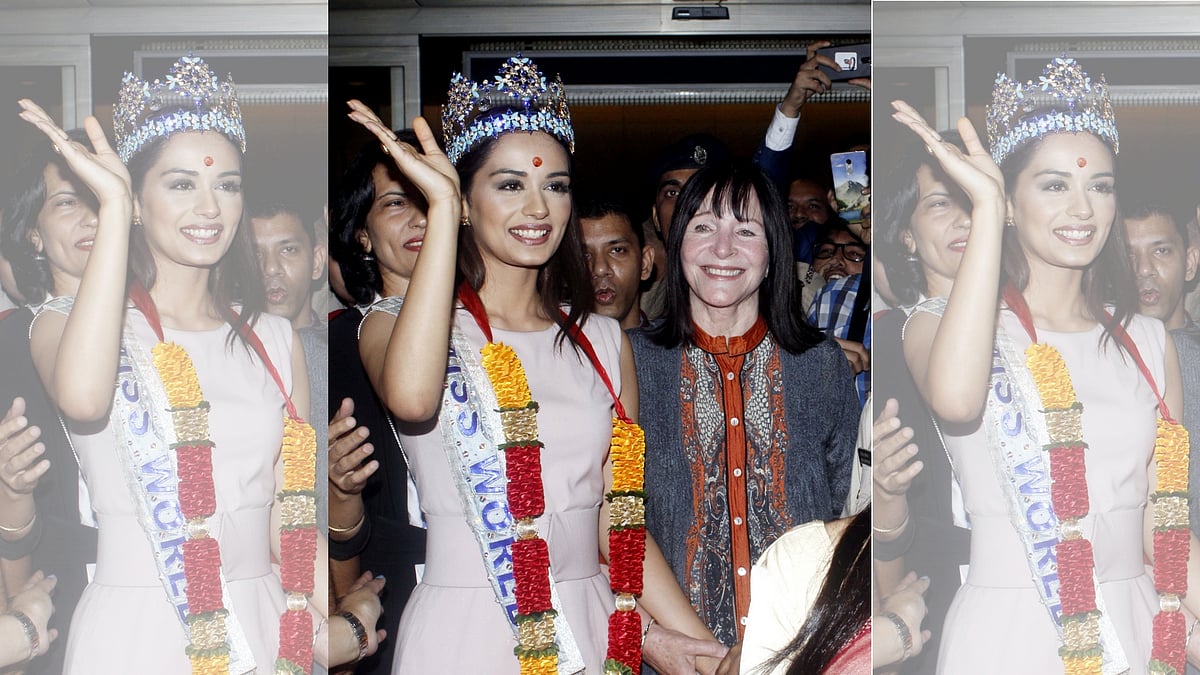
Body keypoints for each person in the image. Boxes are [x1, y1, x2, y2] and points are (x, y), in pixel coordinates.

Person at [349, 55, 725, 674]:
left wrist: (709, 650)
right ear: (465, 200)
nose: (538, 207)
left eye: (555, 185)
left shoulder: (602, 339)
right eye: (509, 185)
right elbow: (413, 400)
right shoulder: (399, 323)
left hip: (589, 620)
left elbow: (617, 523)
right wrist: (439, 208)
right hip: (466, 627)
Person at [19, 55, 330, 672]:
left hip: (263, 619)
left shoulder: (273, 338)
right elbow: (83, 400)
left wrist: (332, 627)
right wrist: (112, 206)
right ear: (137, 199)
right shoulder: (70, 324)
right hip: (137, 626)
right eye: (182, 185)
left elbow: (288, 517)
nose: (210, 207)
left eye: (227, 185)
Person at [892, 56, 1200, 674]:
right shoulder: (943, 325)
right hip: (1009, 630)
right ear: (1010, 200)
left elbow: (1161, 524)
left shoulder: (1147, 340)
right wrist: (984, 207)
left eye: (1100, 186)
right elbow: (957, 401)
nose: (1083, 208)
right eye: (1055, 186)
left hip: (1136, 624)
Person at [629, 161, 859, 668]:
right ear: (676, 243)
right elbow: (592, 525)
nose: (723, 249)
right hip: (674, 660)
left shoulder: (820, 365)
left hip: (800, 655)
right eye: (703, 227)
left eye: (746, 231)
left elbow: (846, 517)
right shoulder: (630, 362)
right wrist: (643, 633)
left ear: (774, 251)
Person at [871, 126, 974, 673]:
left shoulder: (1039, 331)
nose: (964, 219)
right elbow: (889, 506)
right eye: (940, 203)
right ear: (906, 236)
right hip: (937, 594)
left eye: (972, 200)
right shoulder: (893, 340)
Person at [0, 128, 102, 674]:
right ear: (33, 235)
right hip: (55, 599)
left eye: (100, 197)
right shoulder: (9, 346)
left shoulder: (169, 332)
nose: (91, 217)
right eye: (67, 202)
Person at [327, 129, 428, 675]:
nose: (419, 219)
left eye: (429, 199)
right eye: (395, 203)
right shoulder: (338, 347)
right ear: (362, 235)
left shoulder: (495, 334)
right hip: (390, 596)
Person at [579, 195, 654, 330]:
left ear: (645, 263)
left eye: (617, 250)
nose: (600, 269)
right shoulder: (548, 342)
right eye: (584, 255)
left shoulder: (678, 343)